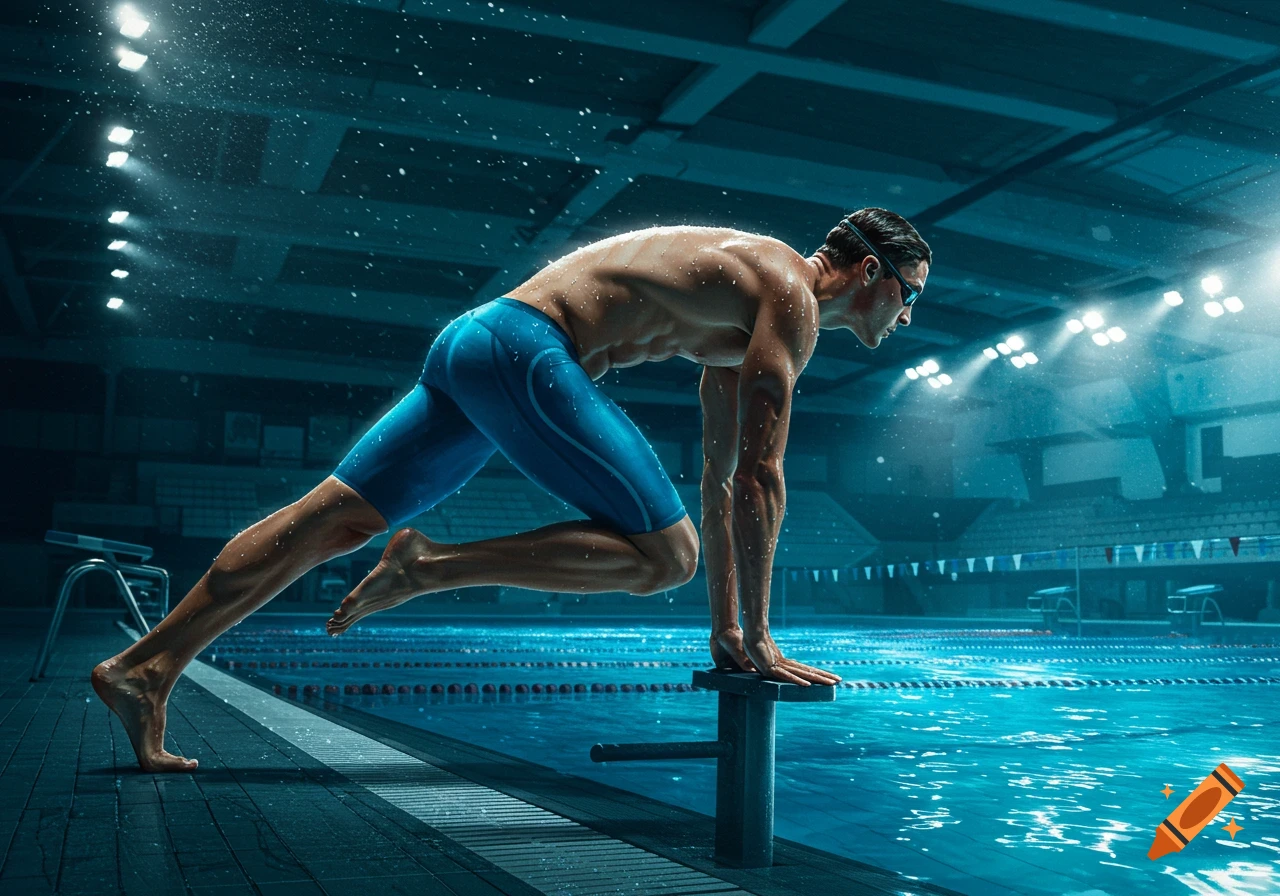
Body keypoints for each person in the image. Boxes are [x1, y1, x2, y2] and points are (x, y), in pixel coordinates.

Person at [91, 207, 931, 771]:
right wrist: (768, 639)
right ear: (868, 270)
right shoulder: (792, 296)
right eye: (911, 295)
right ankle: (427, 566)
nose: (909, 316)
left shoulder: (751, 299)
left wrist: (731, 634)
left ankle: (144, 668)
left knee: (331, 519)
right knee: (664, 558)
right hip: (528, 352)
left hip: (476, 343)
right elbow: (763, 476)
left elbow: (721, 480)